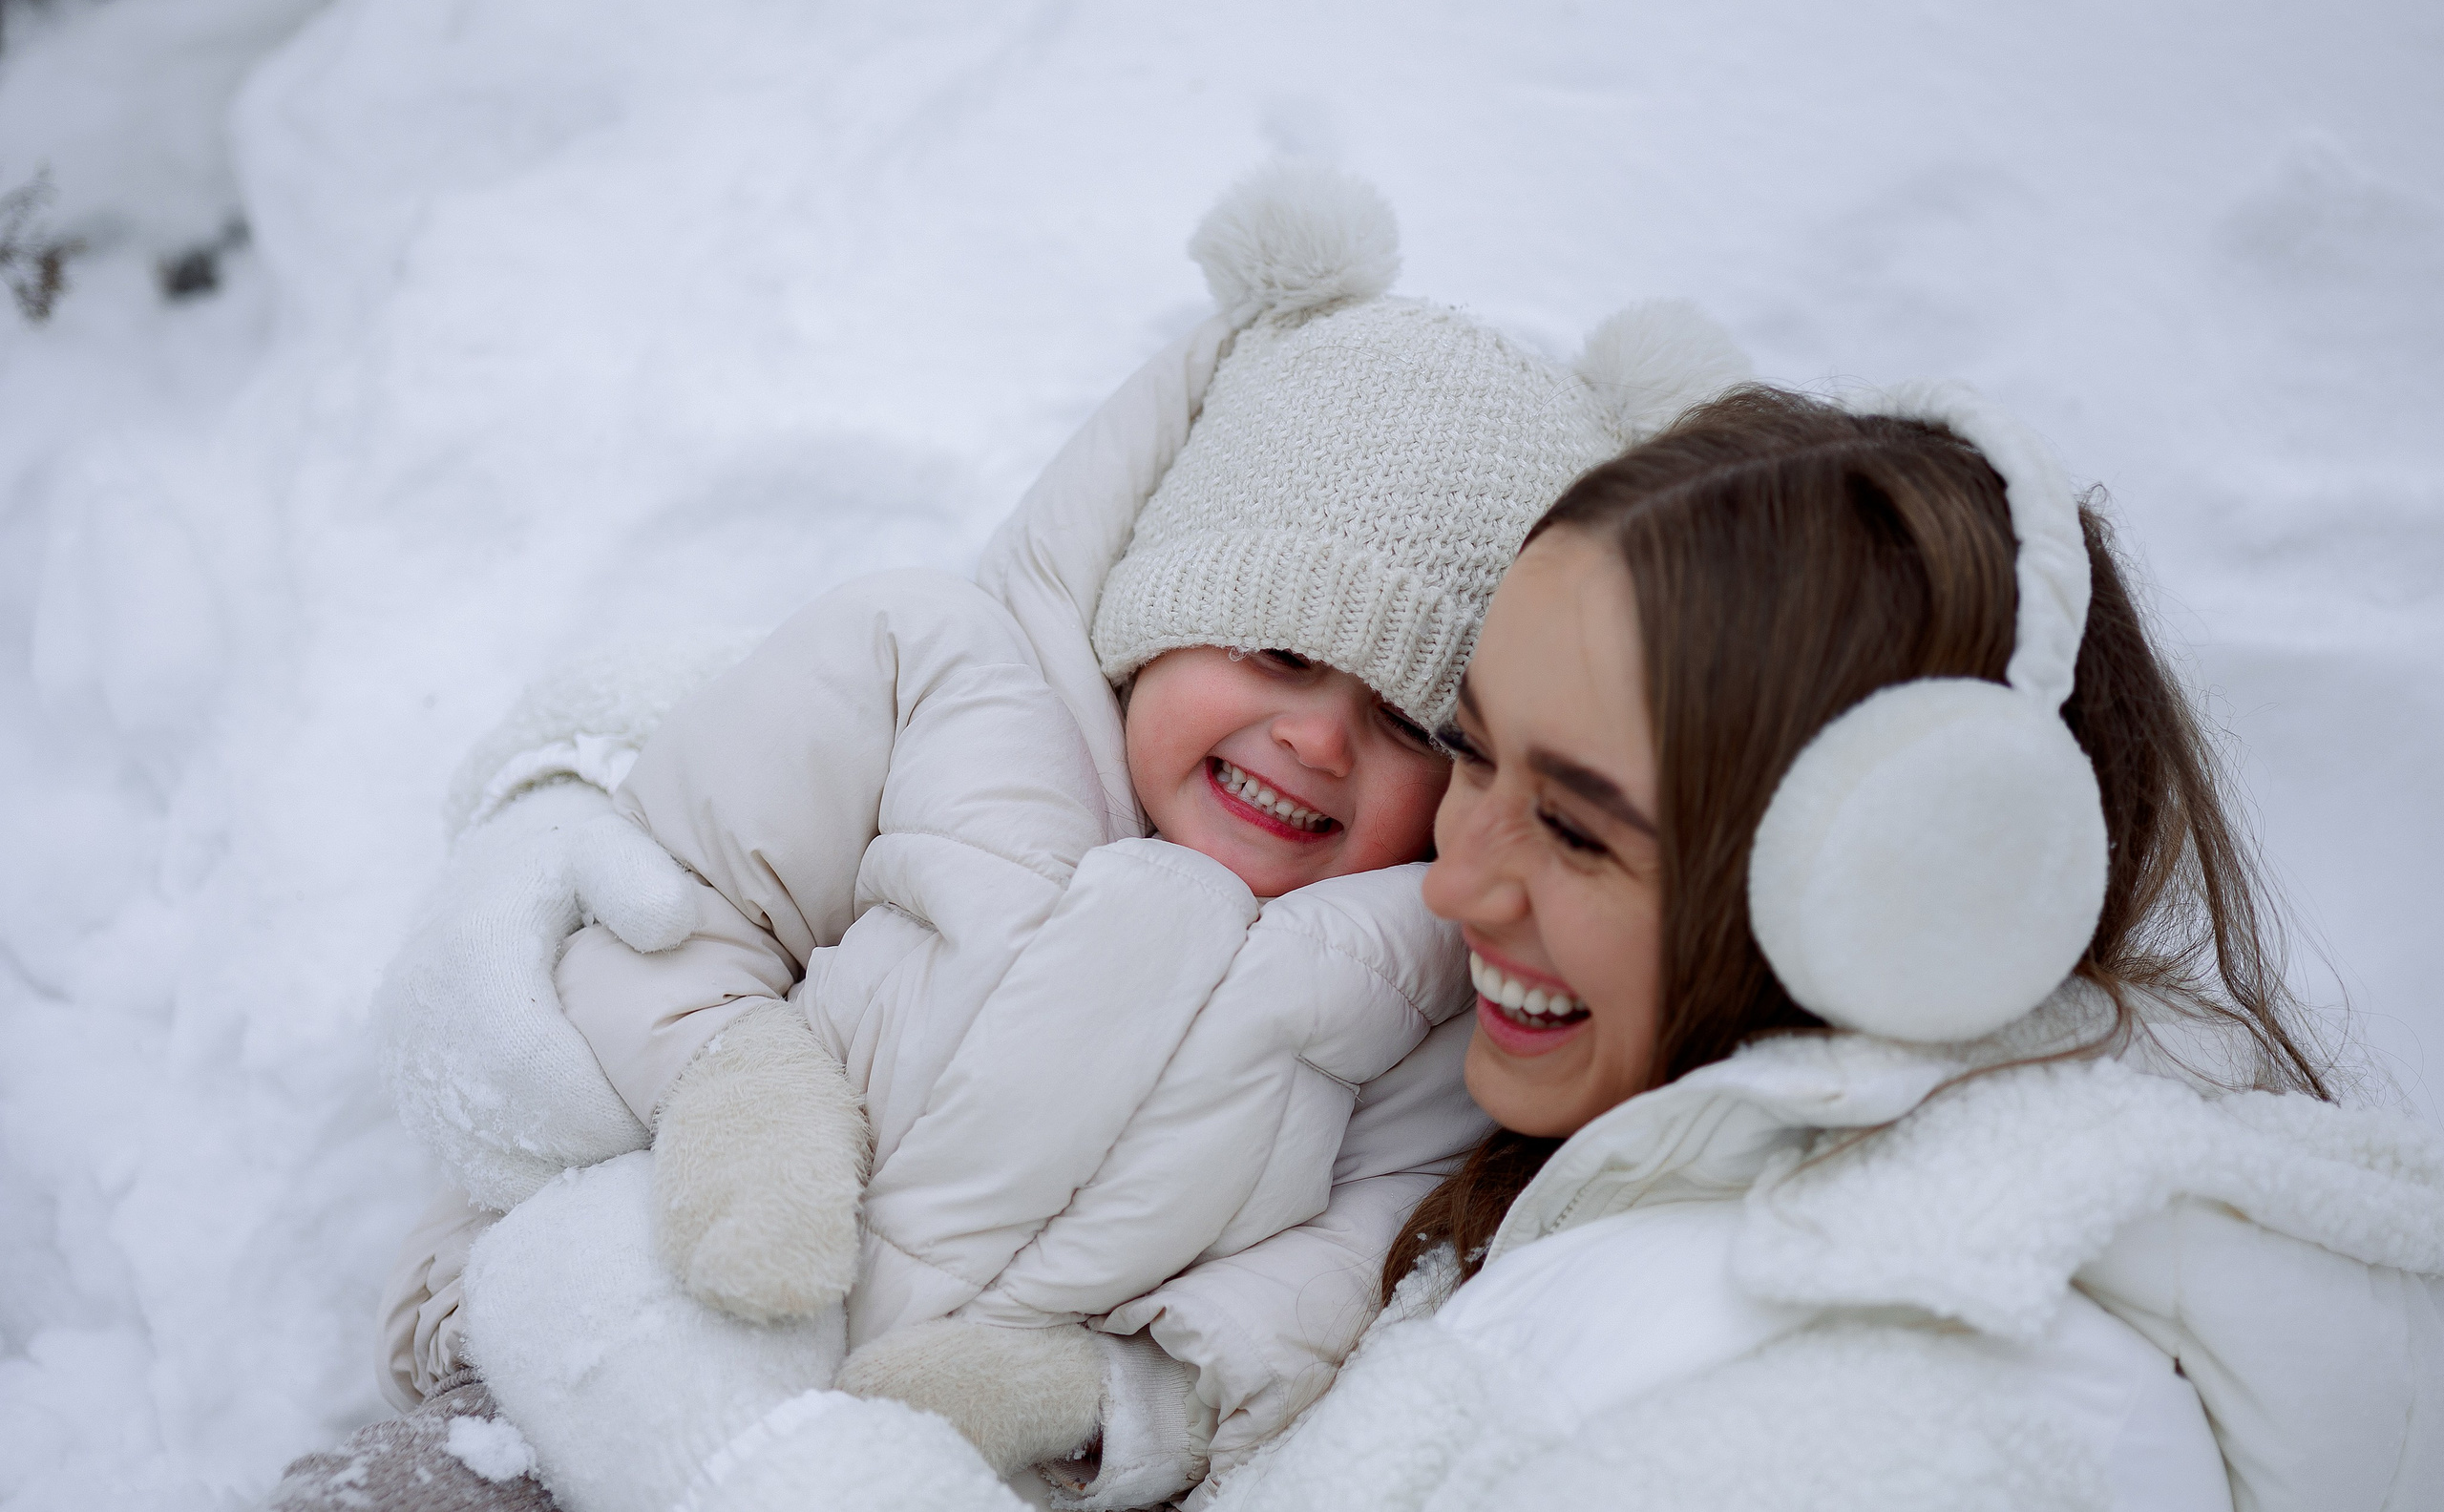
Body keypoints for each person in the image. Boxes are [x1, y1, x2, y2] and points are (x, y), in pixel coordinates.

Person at [622, 378, 2444, 1512]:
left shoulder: (1890, 1422)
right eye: (1475, 748)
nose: (1452, 884)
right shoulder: (1629, 1184)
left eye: (1574, 825)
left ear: (1897, 884)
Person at [268, 167, 1751, 1512]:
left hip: (928, 1468)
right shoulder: (935, 682)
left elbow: (1338, 1274)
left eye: (1409, 726)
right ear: (1154, 605)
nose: (1314, 740)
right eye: (1276, 656)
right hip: (617, 1326)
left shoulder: (1422, 981)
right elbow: (670, 895)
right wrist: (739, 1081)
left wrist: (1098, 1402)